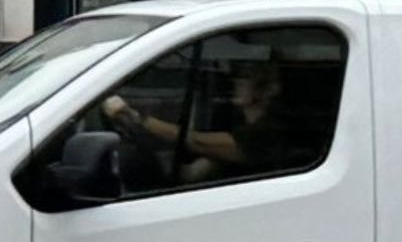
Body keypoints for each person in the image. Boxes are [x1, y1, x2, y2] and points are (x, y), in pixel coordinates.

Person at [103, 59, 288, 186]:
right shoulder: (235, 122)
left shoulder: (267, 131)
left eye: (247, 77)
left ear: (270, 88)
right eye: (237, 76)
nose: (237, 82)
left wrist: (136, 118)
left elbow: (195, 141)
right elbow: (191, 172)